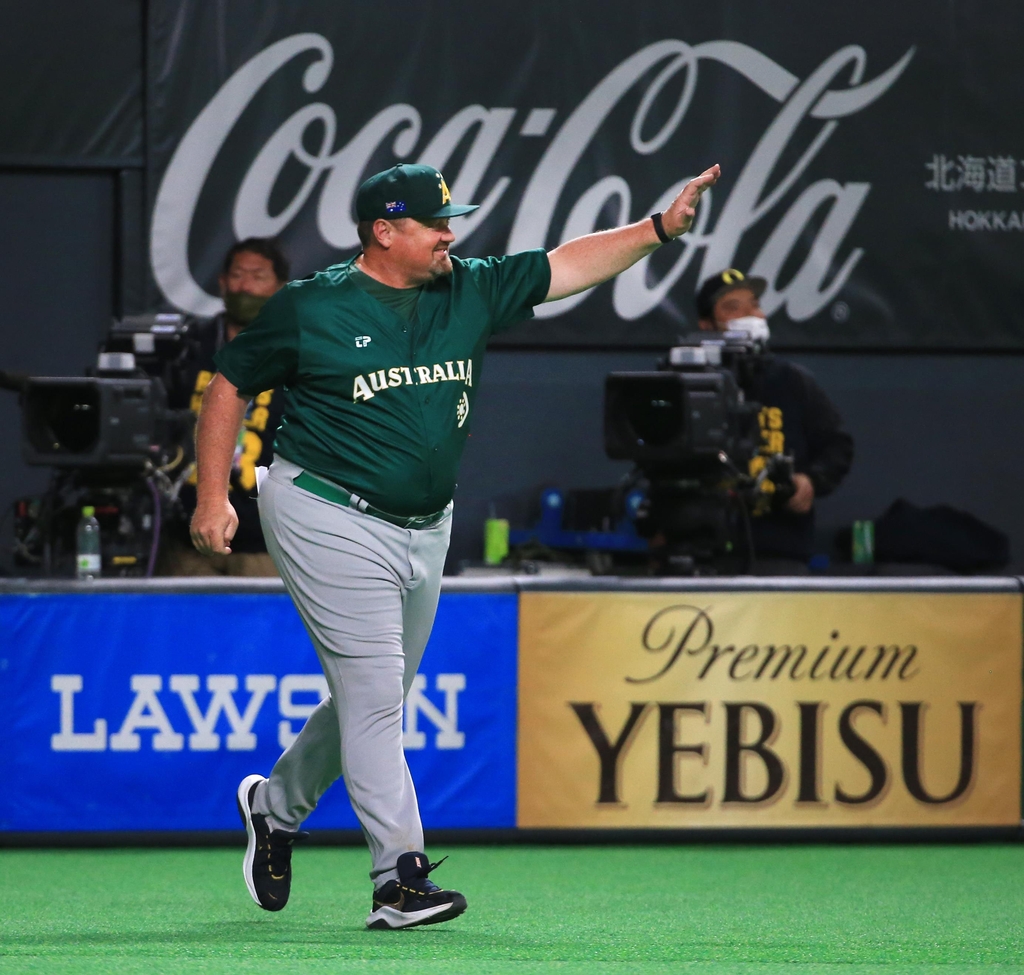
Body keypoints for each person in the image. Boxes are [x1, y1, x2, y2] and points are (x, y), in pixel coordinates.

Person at [190, 161, 720, 929]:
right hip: (324, 510)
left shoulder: (466, 286)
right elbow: (230, 385)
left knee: (377, 695)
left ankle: (275, 807)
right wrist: (214, 494)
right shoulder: (312, 307)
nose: (451, 233)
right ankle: (398, 880)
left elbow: (568, 263)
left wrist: (660, 228)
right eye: (435, 222)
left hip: (423, 522)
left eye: (452, 220)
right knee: (377, 699)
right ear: (383, 232)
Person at [696, 268, 854, 568]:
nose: (750, 314)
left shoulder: (792, 381)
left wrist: (810, 481)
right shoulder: (688, 382)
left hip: (781, 551)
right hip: (704, 553)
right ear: (706, 325)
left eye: (754, 304)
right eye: (733, 307)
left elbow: (838, 446)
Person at [165, 238, 289, 576]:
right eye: (237, 274)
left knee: (266, 629)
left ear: (280, 287)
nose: (245, 285)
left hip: (266, 543)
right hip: (188, 538)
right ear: (222, 282)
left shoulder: (299, 352)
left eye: (257, 276)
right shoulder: (188, 348)